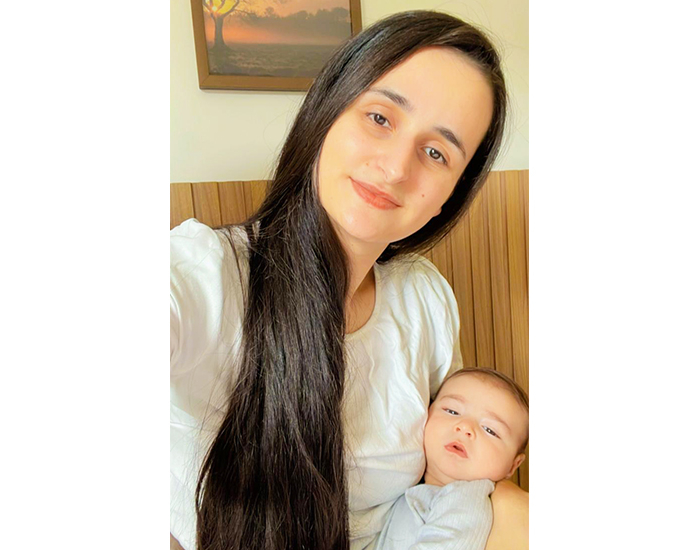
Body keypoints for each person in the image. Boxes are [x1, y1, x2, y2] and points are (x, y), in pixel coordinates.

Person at [170, 10, 528, 550]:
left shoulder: (424, 298)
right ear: (326, 112)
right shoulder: (208, 273)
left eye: (437, 152)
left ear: (450, 194)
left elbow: (456, 474)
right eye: (380, 118)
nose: (397, 167)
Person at [375, 368, 529, 549]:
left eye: (490, 430)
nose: (465, 427)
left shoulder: (466, 497)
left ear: (513, 465)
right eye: (452, 411)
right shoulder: (403, 483)